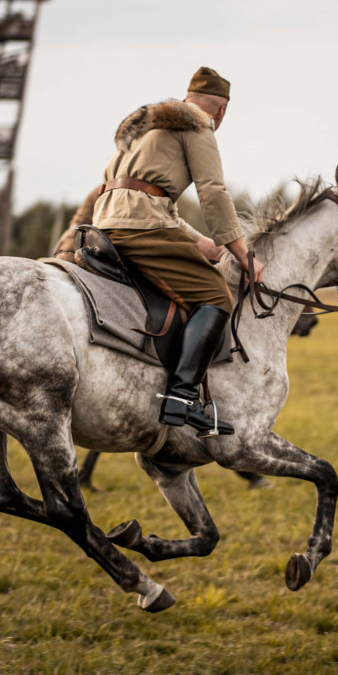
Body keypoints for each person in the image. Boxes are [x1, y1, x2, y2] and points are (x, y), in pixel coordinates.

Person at [91, 67, 264, 436]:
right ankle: (182, 399)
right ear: (221, 110)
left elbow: (150, 199)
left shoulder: (146, 129)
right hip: (139, 227)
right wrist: (243, 253)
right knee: (216, 296)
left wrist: (204, 244)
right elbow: (214, 192)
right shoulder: (199, 124)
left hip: (105, 222)